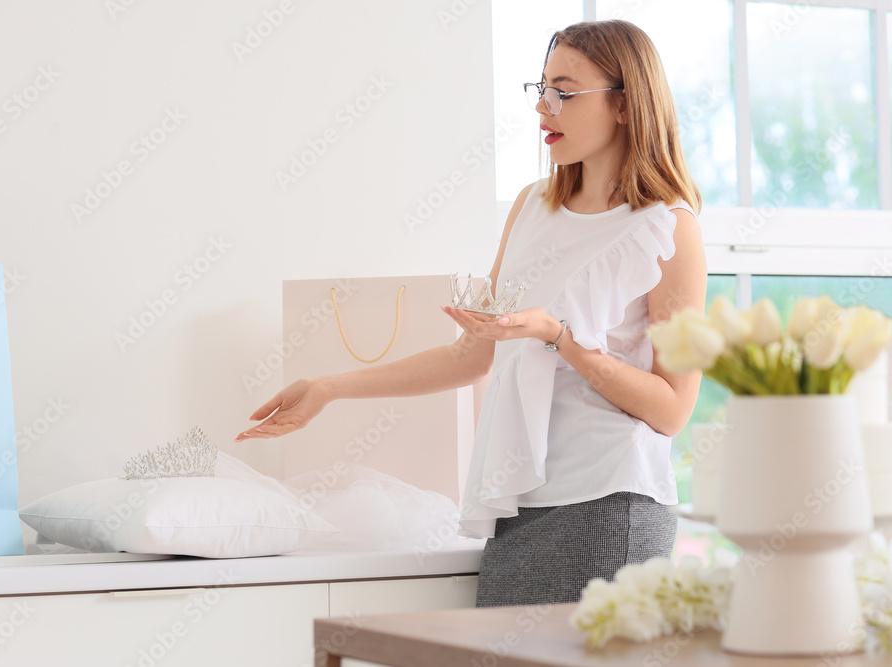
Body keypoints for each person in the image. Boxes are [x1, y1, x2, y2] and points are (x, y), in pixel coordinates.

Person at [235, 19, 707, 607]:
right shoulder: (534, 207)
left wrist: (560, 338)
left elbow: (673, 408)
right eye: (539, 90)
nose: (542, 110)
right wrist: (329, 386)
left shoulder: (666, 227)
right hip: (522, 504)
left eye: (563, 91)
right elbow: (471, 355)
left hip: (611, 504)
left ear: (624, 104)